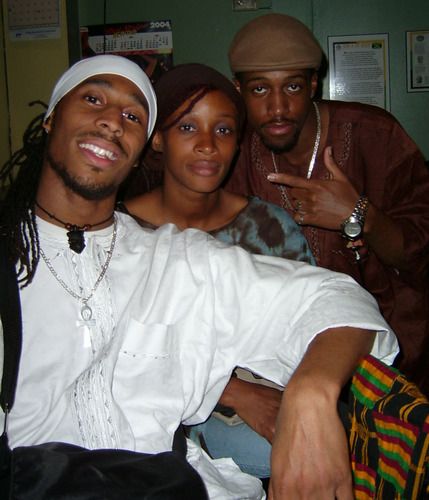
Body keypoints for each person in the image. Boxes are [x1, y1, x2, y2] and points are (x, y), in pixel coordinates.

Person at [0, 54, 398, 499]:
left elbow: (339, 299)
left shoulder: (176, 257)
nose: (112, 120)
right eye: (94, 99)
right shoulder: (12, 257)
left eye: (133, 115)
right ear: (51, 119)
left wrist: (313, 393)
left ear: (140, 150)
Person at [122, 62, 315, 479]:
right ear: (158, 138)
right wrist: (235, 392)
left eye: (223, 130)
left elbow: (308, 325)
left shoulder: (269, 227)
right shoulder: (121, 233)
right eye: (188, 127)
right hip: (151, 411)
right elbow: (113, 349)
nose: (208, 145)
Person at [225, 13, 429, 396]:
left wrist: (361, 215)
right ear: (239, 90)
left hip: (392, 362)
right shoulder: (231, 154)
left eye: (293, 86)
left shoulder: (375, 136)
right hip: (281, 365)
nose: (278, 107)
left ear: (313, 84)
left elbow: (420, 255)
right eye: (259, 89)